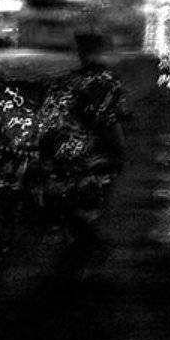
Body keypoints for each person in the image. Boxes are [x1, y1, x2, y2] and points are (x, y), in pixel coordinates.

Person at [37, 31, 127, 244]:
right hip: (85, 148)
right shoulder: (105, 81)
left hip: (74, 147)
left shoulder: (72, 81)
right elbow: (112, 121)